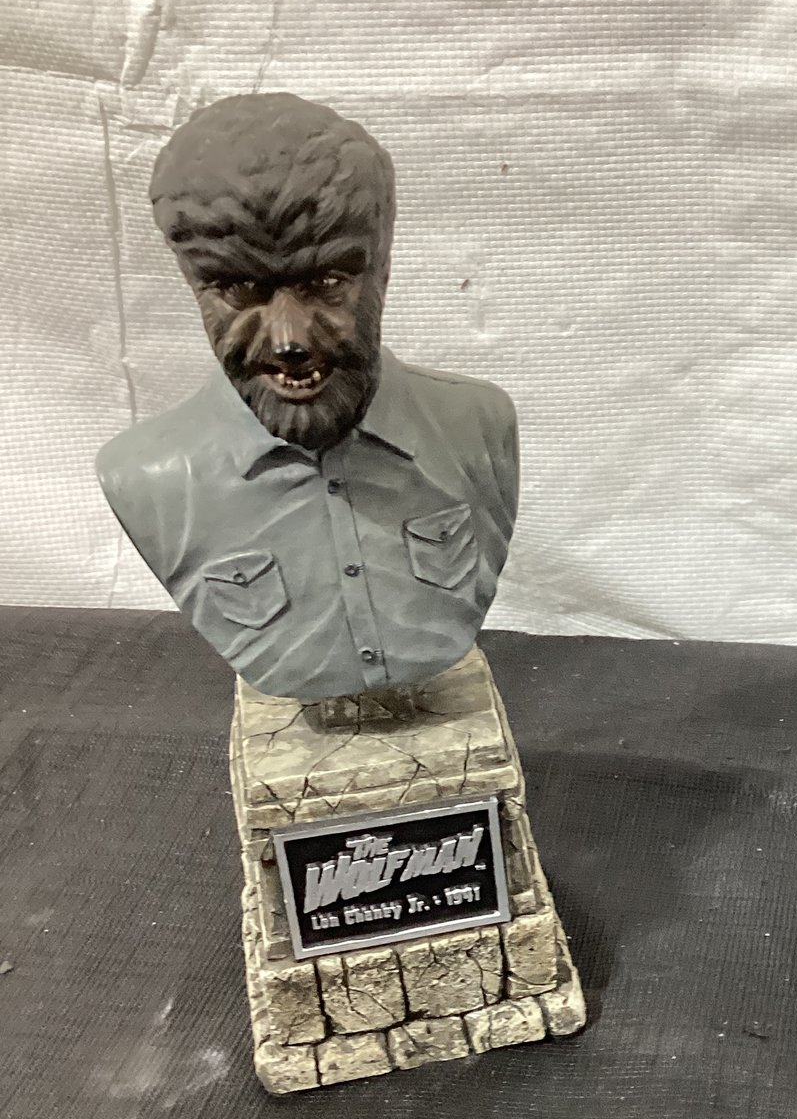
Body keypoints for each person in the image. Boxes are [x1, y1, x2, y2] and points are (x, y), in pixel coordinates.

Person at [96, 93, 519, 702]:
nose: (289, 340)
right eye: (240, 290)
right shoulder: (144, 478)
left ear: (382, 270)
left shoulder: (479, 427)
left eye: (326, 282)